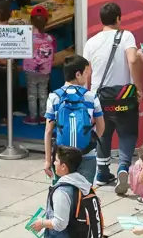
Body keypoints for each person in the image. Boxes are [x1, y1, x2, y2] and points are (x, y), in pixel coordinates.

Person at [84, 2, 143, 193]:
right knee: (127, 133)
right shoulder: (126, 36)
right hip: (123, 95)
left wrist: (88, 95)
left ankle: (102, 173)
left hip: (99, 96)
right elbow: (133, 60)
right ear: (118, 18)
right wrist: (138, 87)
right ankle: (123, 168)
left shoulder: (91, 42)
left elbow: (87, 72)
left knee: (103, 133)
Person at [44, 55, 105, 184]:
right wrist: (90, 143)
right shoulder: (91, 96)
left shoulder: (54, 97)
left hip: (62, 157)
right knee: (84, 194)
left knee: (62, 193)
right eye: (86, 72)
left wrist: (48, 160)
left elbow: (48, 131)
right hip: (86, 155)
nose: (88, 76)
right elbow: (101, 126)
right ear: (78, 74)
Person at [23, 5, 56, 125]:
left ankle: (32, 117)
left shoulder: (26, 37)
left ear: (31, 21)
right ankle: (43, 116)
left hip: (30, 70)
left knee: (32, 94)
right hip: (45, 71)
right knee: (43, 93)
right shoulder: (50, 39)